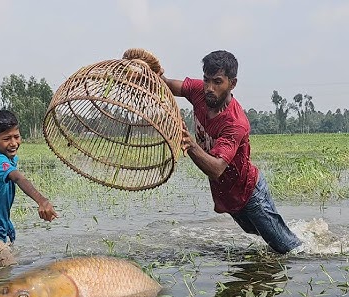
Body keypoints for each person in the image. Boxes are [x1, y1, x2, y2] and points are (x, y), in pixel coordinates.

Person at [127, 49, 301, 254]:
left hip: (250, 194)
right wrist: (148, 74)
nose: (209, 88)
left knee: (289, 250)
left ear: (232, 83)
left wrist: (189, 143)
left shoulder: (235, 123)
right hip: (229, 196)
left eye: (217, 82)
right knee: (258, 235)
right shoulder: (200, 92)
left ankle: (314, 249)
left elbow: (217, 168)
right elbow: (166, 85)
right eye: (206, 80)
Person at [0, 109, 57, 266]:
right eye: (6, 139)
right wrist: (42, 200)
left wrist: (7, 225)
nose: (13, 143)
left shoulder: (8, 158)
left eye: (16, 136)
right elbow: (18, 178)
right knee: (10, 272)